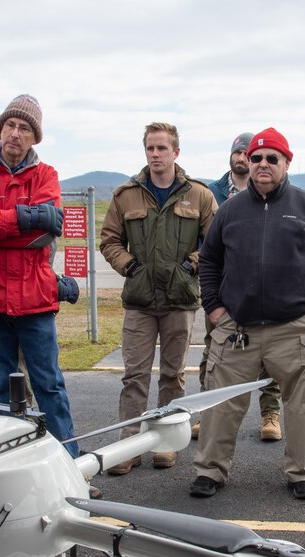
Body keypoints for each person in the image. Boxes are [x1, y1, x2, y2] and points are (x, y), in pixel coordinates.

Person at [193, 128, 305, 500]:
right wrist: (213, 307)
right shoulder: (229, 210)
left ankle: (301, 474)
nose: (262, 164)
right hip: (236, 328)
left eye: (271, 158)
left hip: (293, 329)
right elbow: (209, 259)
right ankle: (209, 471)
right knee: (221, 404)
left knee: (300, 405)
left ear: (286, 163)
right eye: (256, 157)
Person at [0, 94, 80, 458]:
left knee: (49, 386)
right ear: (0, 128)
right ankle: (6, 467)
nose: (14, 133)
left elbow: (43, 234)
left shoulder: (46, 175)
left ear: (34, 137)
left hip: (34, 301)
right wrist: (24, 218)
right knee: (0, 393)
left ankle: (69, 465)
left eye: (24, 128)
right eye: (10, 125)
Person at [99, 122, 216, 475]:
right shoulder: (126, 196)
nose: (155, 154)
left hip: (180, 300)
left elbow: (213, 244)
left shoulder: (199, 195)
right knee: (134, 375)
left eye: (162, 148)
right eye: (150, 148)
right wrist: (130, 266)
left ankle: (166, 442)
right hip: (140, 301)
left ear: (175, 152)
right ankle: (129, 444)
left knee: (172, 375)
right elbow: (109, 240)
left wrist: (188, 267)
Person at [194, 131, 283, 443]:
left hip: (264, 293)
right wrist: (212, 300)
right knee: (214, 354)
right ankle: (208, 412)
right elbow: (203, 245)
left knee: (269, 356)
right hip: (222, 293)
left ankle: (270, 414)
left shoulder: (275, 194)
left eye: (251, 153)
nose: (244, 157)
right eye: (239, 152)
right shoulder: (211, 193)